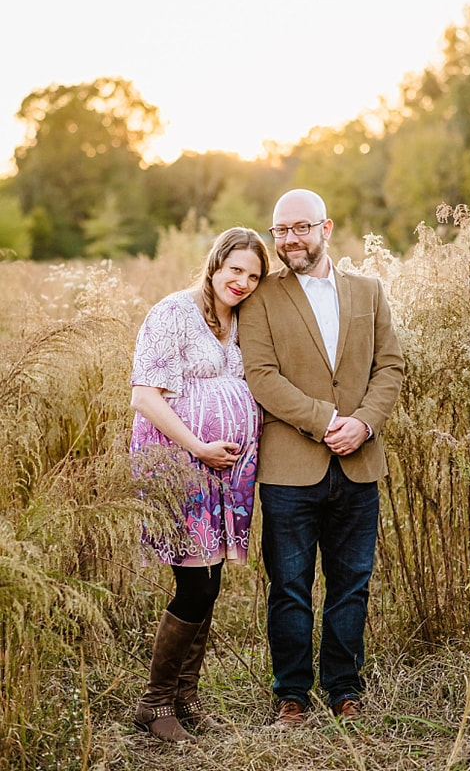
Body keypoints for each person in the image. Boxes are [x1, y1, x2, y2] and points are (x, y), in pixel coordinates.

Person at [238, 188, 404, 728]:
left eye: (299, 228)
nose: (288, 240)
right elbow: (260, 376)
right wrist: (329, 421)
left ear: (325, 228)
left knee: (352, 582)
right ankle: (291, 693)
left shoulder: (369, 290)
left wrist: (363, 423)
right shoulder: (260, 296)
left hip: (360, 463)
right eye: (279, 230)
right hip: (290, 468)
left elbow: (391, 368)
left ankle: (343, 687)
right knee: (288, 586)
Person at [130, 227, 271, 742]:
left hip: (222, 473)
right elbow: (146, 397)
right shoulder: (174, 312)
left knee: (208, 583)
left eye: (254, 275)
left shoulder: (241, 319)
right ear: (214, 265)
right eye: (235, 270)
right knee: (194, 583)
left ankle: (185, 697)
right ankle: (155, 703)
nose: (243, 282)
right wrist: (198, 446)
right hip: (179, 463)